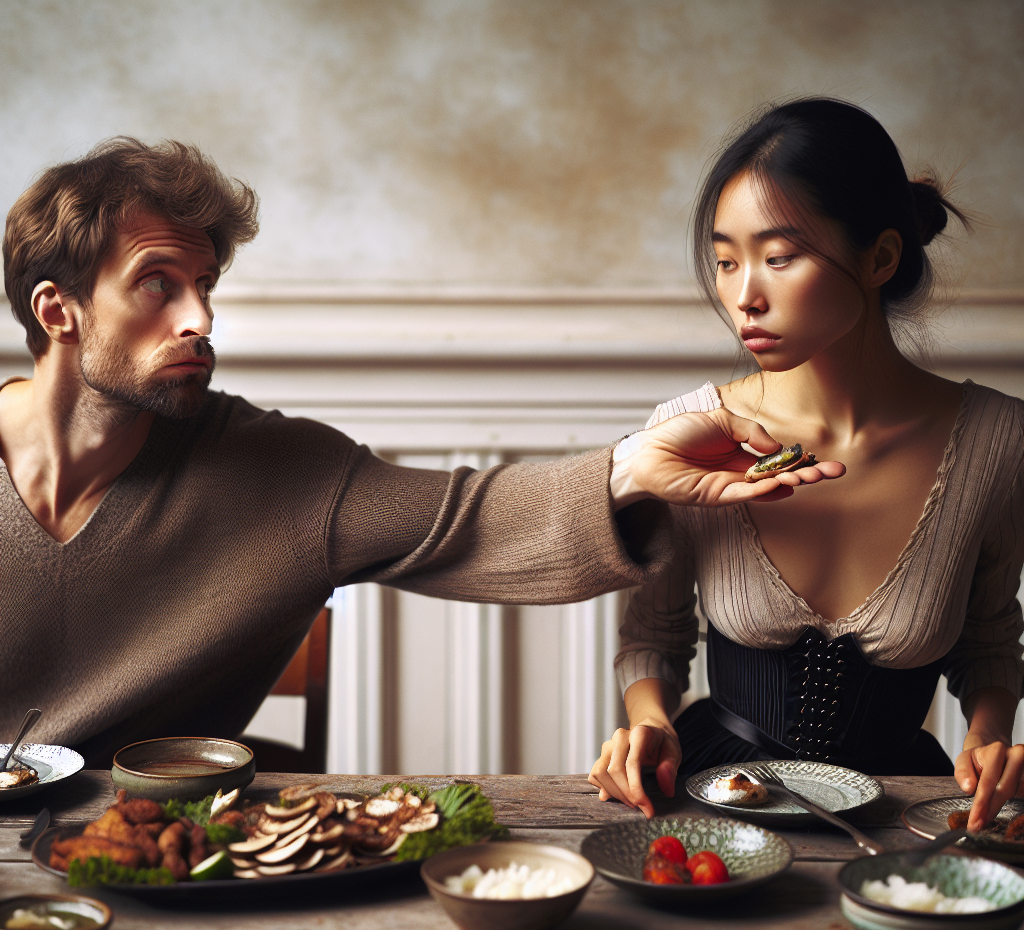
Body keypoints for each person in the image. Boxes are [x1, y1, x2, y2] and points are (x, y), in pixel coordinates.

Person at [0, 138, 842, 769]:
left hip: (157, 874)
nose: (200, 319)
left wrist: (631, 466)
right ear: (57, 309)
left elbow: (475, 520)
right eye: (158, 283)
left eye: (206, 285)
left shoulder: (282, 476)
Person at [588, 98, 1024, 831]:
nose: (742, 296)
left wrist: (987, 738)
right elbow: (652, 640)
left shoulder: (998, 441)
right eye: (726, 261)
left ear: (880, 258)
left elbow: (987, 638)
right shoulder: (684, 434)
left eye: (778, 257)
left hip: (898, 814)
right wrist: (651, 722)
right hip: (711, 803)